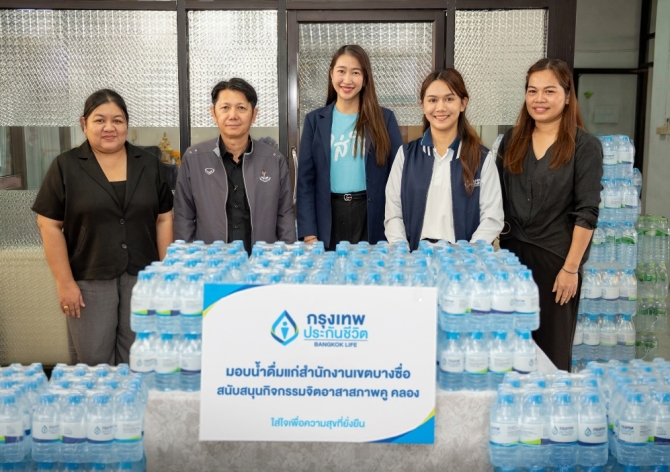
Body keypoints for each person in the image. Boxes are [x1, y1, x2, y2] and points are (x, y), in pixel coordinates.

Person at [32, 89, 174, 366]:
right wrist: (64, 283)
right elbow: (48, 225)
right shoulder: (66, 166)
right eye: (100, 120)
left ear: (126, 125)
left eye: (117, 120)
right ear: (84, 124)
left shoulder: (148, 165)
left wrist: (166, 275)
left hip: (143, 279)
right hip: (88, 279)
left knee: (140, 358)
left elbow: (164, 219)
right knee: (93, 362)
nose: (109, 127)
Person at [496, 58, 603, 371]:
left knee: (551, 355)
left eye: (549, 91)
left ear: (567, 96)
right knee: (509, 352)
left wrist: (571, 269)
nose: (539, 99)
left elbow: (587, 212)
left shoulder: (585, 146)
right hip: (511, 261)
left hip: (556, 263)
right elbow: (496, 200)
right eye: (532, 91)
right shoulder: (512, 140)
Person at [297, 44, 403, 250]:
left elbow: (398, 176)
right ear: (331, 74)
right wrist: (309, 233)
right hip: (328, 217)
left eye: (355, 72)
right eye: (341, 71)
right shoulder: (315, 121)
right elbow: (305, 182)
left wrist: (397, 228)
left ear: (365, 78)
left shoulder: (385, 119)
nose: (347, 80)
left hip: (373, 217)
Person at [385, 69, 503, 250]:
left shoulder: (482, 159)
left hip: (463, 259)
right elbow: (393, 213)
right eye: (432, 100)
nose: (440, 108)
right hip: (415, 257)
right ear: (423, 105)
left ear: (463, 103)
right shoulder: (406, 155)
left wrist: (468, 255)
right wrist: (402, 252)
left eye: (449, 99)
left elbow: (492, 218)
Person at [174, 78, 295, 252]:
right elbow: (183, 217)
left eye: (241, 108)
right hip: (211, 261)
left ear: (254, 114)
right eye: (225, 108)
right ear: (213, 113)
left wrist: (288, 256)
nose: (233, 115)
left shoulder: (274, 160)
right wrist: (184, 258)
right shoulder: (194, 159)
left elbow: (285, 216)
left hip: (262, 261)